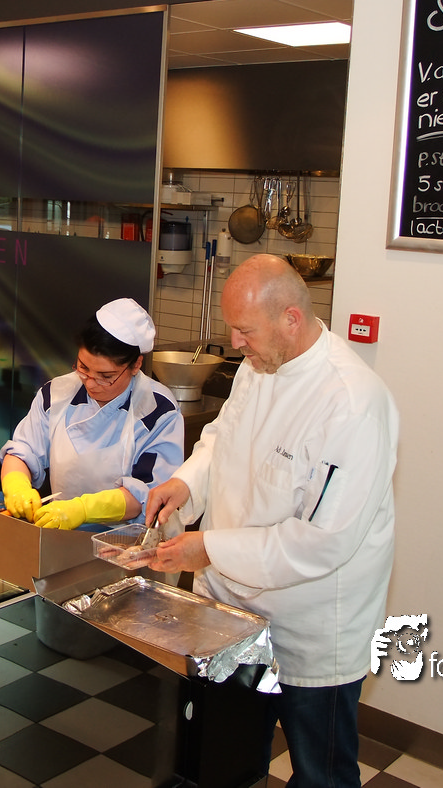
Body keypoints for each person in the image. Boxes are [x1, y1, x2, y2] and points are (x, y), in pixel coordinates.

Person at [146, 255, 398, 788]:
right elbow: (220, 440)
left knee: (320, 773)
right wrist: (186, 484)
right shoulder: (258, 366)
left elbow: (321, 541)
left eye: (245, 331)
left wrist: (207, 548)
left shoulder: (352, 404)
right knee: (230, 757)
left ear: (291, 319)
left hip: (307, 624)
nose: (234, 342)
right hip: (231, 612)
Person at [0, 298, 184, 530]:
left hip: (133, 541)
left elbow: (149, 493)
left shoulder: (157, 411)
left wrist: (84, 509)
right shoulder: (56, 395)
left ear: (136, 365)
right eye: (83, 368)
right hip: (63, 535)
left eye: (106, 376)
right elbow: (23, 451)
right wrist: (16, 486)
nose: (91, 383)